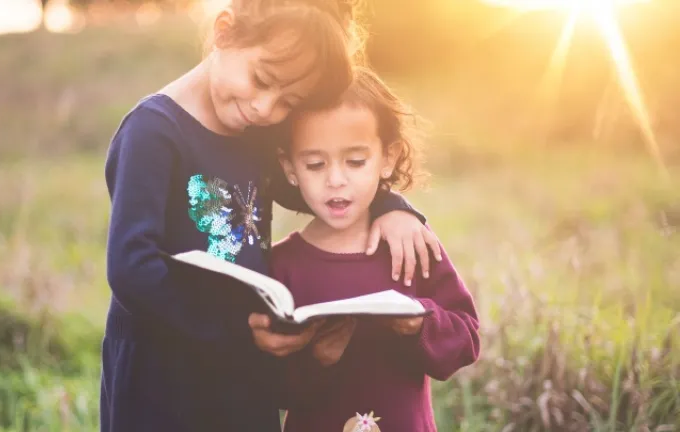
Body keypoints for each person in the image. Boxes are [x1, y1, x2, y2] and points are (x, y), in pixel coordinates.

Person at [100, 1, 442, 431]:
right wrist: (236, 329)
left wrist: (394, 208)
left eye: (288, 101)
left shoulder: (253, 133)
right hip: (162, 373)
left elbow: (323, 193)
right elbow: (133, 268)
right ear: (225, 31)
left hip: (243, 369)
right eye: (262, 80)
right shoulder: (153, 132)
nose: (266, 108)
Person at [270, 67, 481, 432]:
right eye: (315, 164)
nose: (336, 179)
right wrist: (314, 359)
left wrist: (421, 322)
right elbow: (265, 384)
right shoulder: (282, 266)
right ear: (289, 167)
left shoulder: (409, 244)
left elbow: (467, 339)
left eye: (355, 161)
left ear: (388, 158)